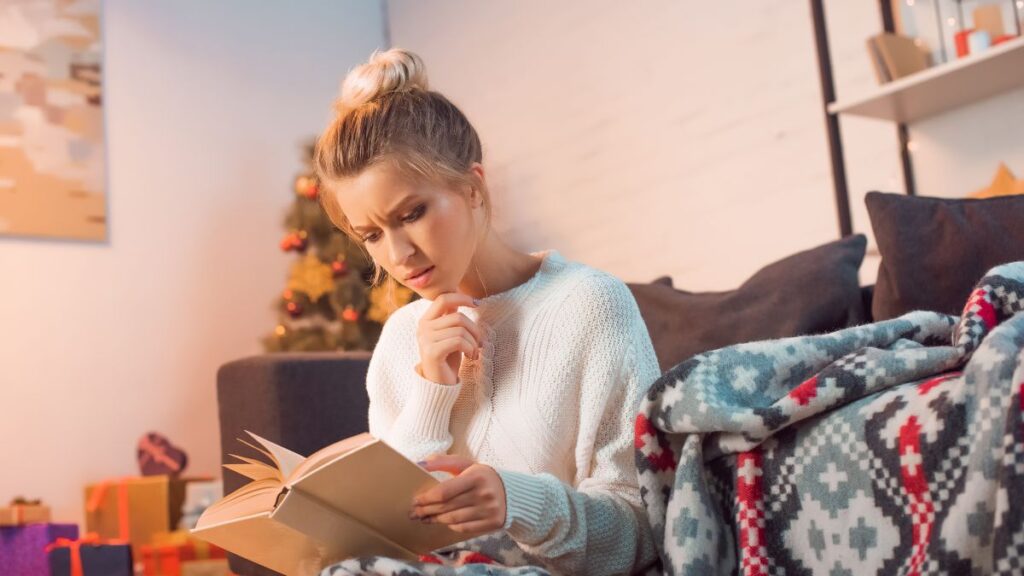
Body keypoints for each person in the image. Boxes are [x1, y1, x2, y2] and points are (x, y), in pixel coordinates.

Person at [312, 46, 661, 575]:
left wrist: (519, 501)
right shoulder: (403, 338)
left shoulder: (591, 305)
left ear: (473, 188)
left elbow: (641, 533)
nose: (398, 254)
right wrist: (432, 390)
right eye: (372, 235)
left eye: (412, 213)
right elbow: (388, 534)